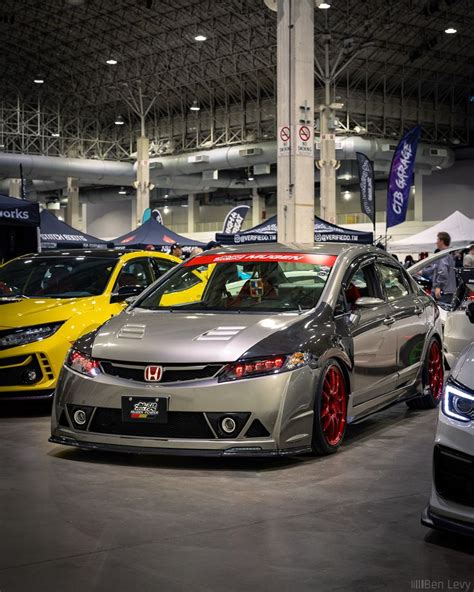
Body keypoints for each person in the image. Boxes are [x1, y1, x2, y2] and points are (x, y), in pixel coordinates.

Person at [424, 232, 457, 305]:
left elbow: (443, 272)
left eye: (437, 240)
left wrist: (438, 287)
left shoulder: (443, 255)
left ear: (442, 241)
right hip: (449, 291)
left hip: (443, 291)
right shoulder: (450, 254)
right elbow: (436, 268)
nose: (436, 242)